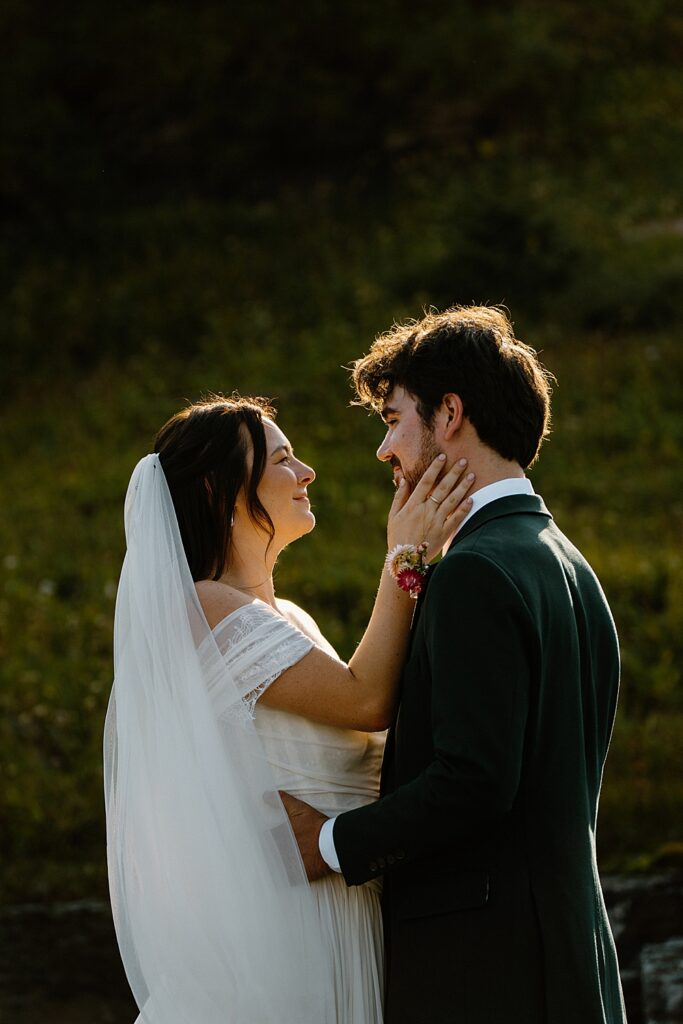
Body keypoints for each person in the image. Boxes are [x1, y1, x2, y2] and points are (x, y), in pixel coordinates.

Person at [282, 306, 627, 1024]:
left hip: (486, 971)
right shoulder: (562, 560)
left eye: (392, 419)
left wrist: (329, 843)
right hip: (568, 957)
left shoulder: (475, 570)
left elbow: (474, 779)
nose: (384, 450)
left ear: (448, 413)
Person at [104, 393, 475, 1024]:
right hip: (288, 929)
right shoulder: (206, 609)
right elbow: (367, 699)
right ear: (219, 488)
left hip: (345, 905)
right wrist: (405, 555)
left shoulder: (289, 618)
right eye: (282, 459)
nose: (306, 473)